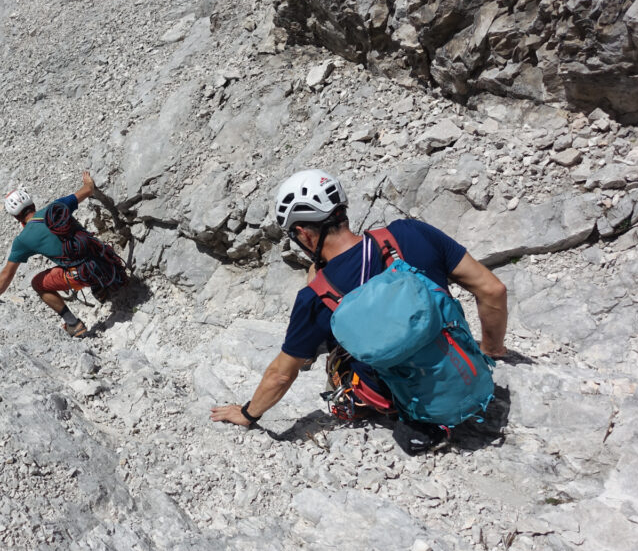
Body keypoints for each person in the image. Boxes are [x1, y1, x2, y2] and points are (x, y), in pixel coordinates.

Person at [210, 169, 508, 453]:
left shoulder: (316, 297)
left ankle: (381, 405)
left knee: (337, 359)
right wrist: (492, 350)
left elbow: (280, 375)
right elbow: (492, 290)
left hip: (414, 404)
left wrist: (248, 414)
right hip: (472, 375)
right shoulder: (410, 233)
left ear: (303, 233)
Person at [0, 171, 112, 337]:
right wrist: (87, 182)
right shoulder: (56, 208)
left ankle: (74, 324)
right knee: (74, 248)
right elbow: (88, 189)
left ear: (16, 218)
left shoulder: (23, 240)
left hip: (80, 275)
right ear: (32, 205)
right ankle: (101, 288)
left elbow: (8, 273)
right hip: (102, 257)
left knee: (38, 283)